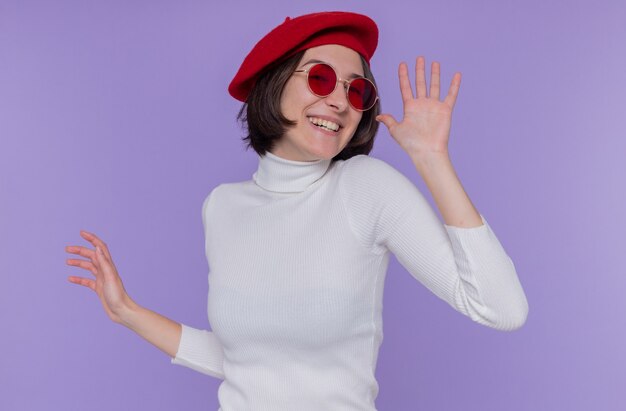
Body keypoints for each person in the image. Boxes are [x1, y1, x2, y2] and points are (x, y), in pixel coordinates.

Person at [66, 11, 528, 410]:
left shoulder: (365, 188)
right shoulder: (222, 206)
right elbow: (249, 362)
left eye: (356, 91)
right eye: (320, 78)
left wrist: (431, 158)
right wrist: (127, 311)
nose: (338, 101)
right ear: (274, 82)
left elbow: (502, 308)